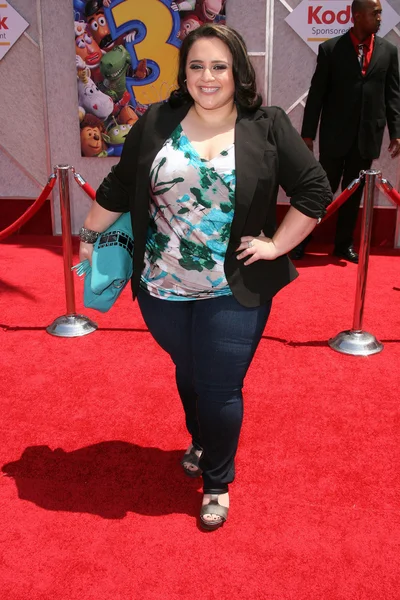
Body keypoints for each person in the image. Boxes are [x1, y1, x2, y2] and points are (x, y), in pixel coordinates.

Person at [78, 24, 332, 530]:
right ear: (183, 73)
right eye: (196, 66)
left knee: (219, 387)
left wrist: (277, 244)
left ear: (238, 70)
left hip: (233, 286)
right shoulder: (157, 120)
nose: (208, 77)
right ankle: (200, 439)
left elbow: (314, 190)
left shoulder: (268, 123)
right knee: (189, 369)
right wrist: (88, 237)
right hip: (161, 286)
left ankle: (217, 480)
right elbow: (121, 182)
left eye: (219, 66)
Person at [292, 0, 400, 263]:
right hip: (334, 135)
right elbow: (316, 95)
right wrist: (308, 134)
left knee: (354, 195)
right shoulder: (330, 49)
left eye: (380, 13)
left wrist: (396, 132)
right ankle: (299, 241)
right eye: (375, 13)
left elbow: (393, 96)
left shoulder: (389, 51)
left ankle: (343, 245)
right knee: (322, 191)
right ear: (358, 16)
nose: (379, 18)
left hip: (367, 138)